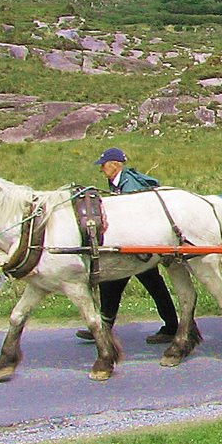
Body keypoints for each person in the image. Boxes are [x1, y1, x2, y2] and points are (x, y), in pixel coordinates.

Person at [76, 147, 183, 345]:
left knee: (146, 284)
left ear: (115, 165)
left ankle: (170, 327)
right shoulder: (117, 182)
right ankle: (104, 327)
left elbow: (134, 214)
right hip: (131, 247)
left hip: (138, 248)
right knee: (115, 284)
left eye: (104, 165)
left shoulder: (129, 184)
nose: (101, 170)